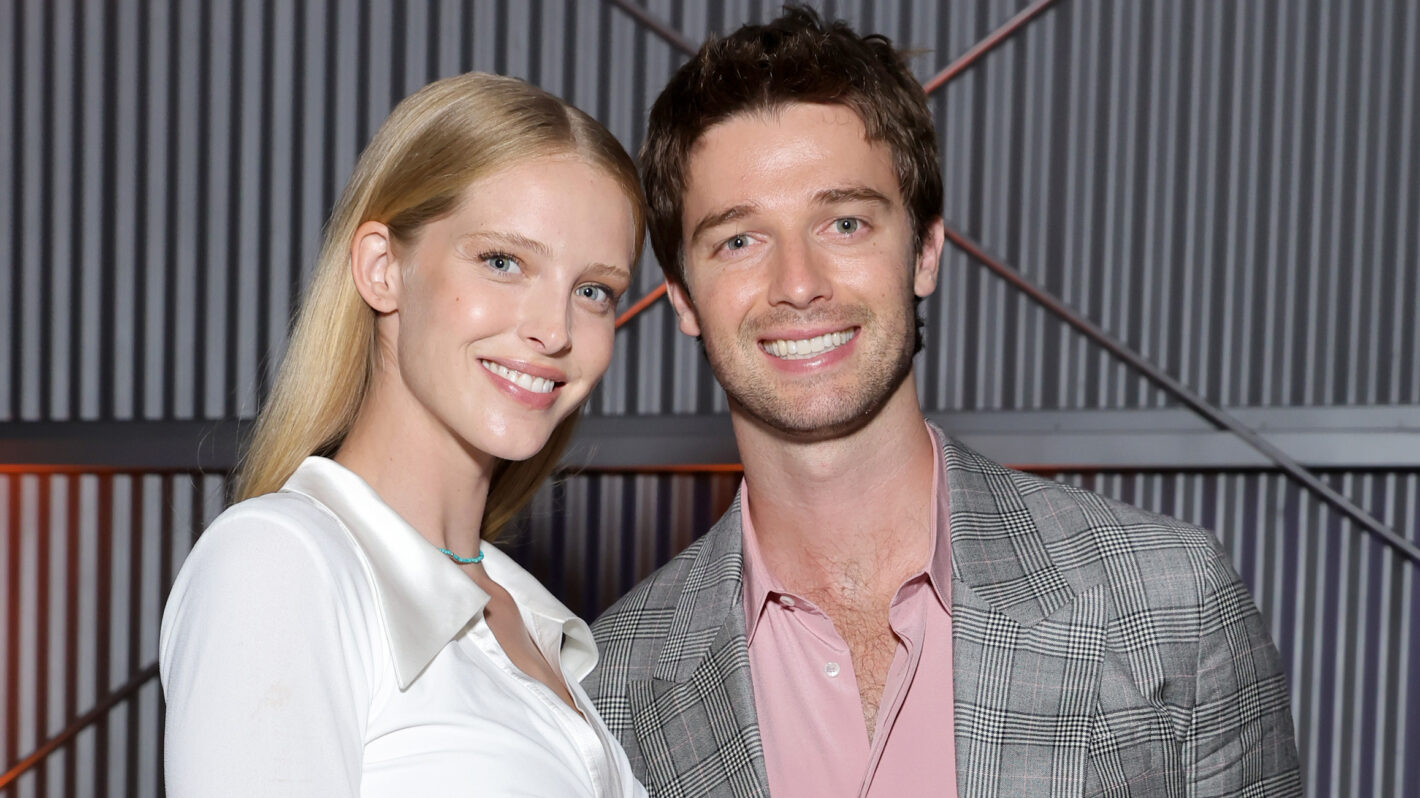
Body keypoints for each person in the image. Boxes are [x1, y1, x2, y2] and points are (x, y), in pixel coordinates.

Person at [583, 8, 1301, 797]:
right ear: (683, 298)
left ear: (925, 251)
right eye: (739, 240)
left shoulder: (1169, 600)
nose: (798, 284)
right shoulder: (611, 690)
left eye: (844, 222)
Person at [160, 72, 648, 797]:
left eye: (593, 290)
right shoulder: (280, 563)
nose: (555, 330)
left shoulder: (533, 622)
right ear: (382, 268)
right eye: (503, 262)